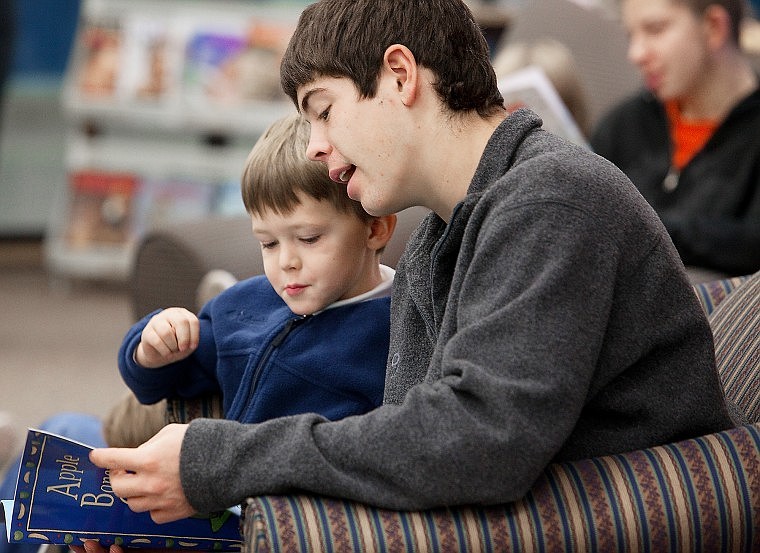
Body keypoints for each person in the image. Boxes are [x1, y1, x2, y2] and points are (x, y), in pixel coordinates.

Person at [89, 0, 734, 531]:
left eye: (322, 111)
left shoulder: (552, 200)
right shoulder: (443, 237)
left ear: (399, 75)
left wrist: (220, 461)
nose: (315, 148)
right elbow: (398, 436)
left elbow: (478, 441)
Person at [118, 112, 396, 424]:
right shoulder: (245, 304)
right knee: (66, 428)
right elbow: (156, 385)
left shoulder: (398, 332)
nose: (286, 262)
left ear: (375, 230)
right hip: (203, 452)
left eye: (309, 238)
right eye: (269, 244)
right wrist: (154, 346)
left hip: (256, 468)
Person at [590, 0, 760, 278]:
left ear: (714, 27)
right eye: (631, 35)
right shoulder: (623, 125)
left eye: (655, 30)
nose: (636, 53)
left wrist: (643, 227)